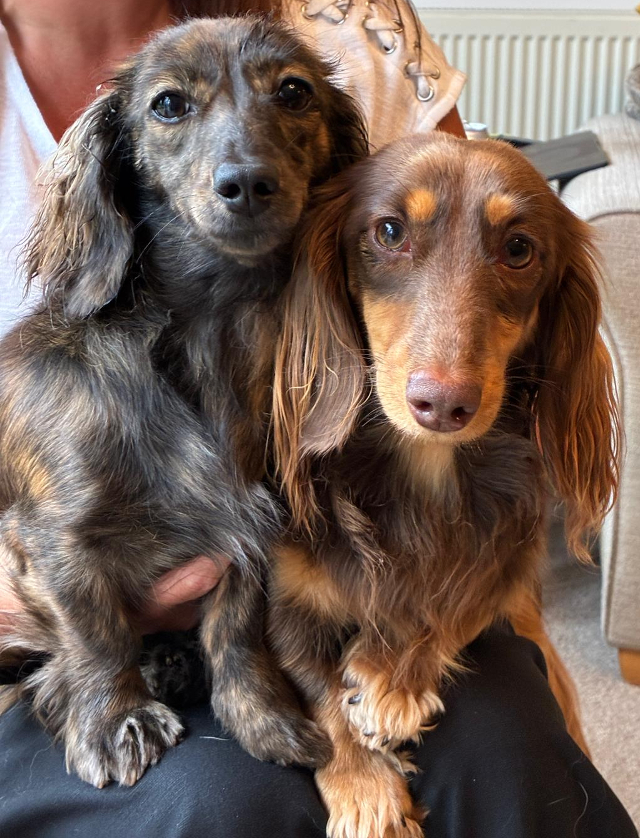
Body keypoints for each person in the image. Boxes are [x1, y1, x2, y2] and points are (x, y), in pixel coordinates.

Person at [0, 2, 637, 837]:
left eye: (290, 98)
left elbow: (463, 225)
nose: (241, 165)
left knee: (506, 744)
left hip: (339, 524)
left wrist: (503, 613)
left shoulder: (347, 26)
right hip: (68, 628)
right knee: (219, 804)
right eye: (174, 106)